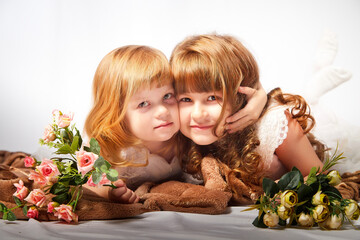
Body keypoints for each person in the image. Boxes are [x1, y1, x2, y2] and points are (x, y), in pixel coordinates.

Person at [83, 45, 268, 203]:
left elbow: (229, 77)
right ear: (117, 112)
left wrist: (260, 96)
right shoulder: (113, 147)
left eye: (167, 96)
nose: (163, 111)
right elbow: (85, 184)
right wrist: (109, 192)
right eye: (143, 104)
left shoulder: (184, 132)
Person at [170, 34, 326, 203]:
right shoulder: (172, 129)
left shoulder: (273, 126)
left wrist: (279, 191)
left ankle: (320, 73)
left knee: (321, 108)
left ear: (240, 97)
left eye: (212, 98)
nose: (198, 114)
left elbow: (321, 177)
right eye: (186, 99)